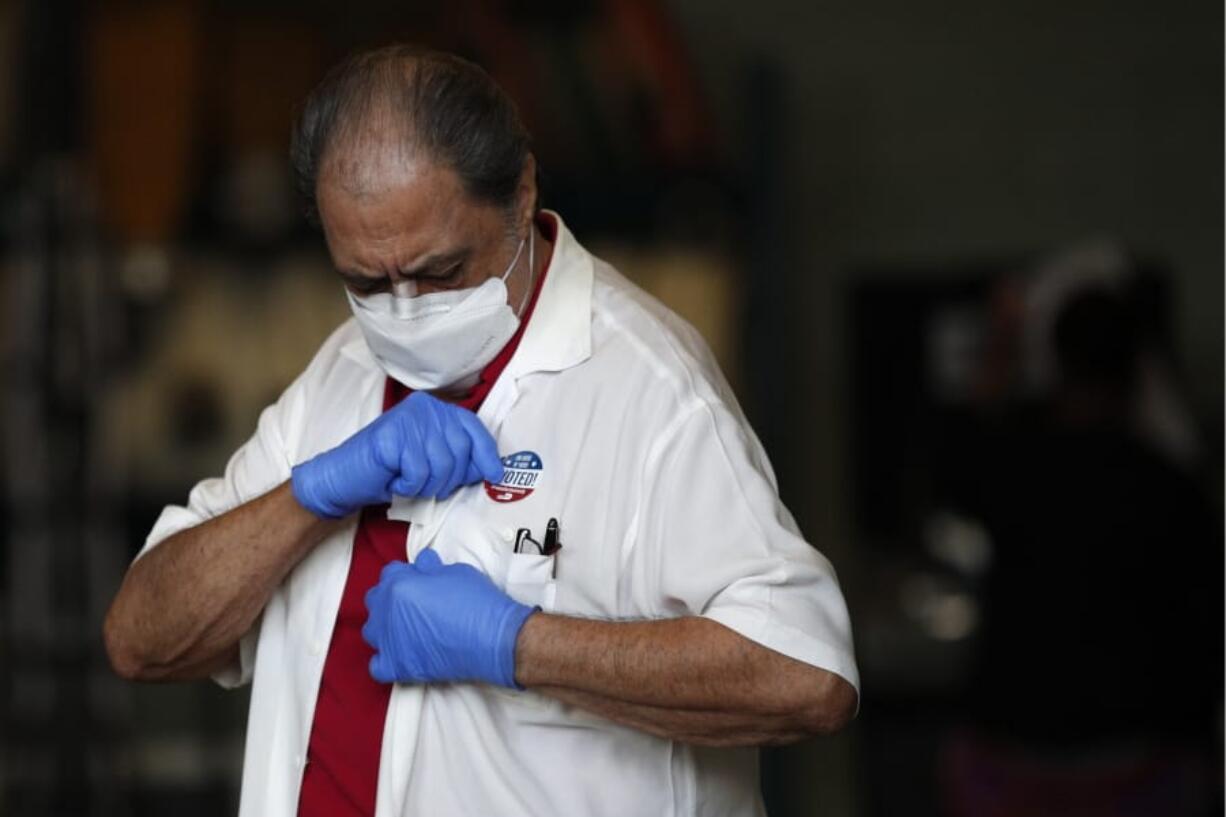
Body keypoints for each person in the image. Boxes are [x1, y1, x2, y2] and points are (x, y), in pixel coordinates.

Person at [102, 45, 859, 817]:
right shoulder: (341, 371)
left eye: (439, 271)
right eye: (366, 281)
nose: (403, 309)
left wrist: (516, 644)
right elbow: (141, 637)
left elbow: (805, 676)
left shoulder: (646, 388)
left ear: (521, 191)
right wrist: (309, 496)